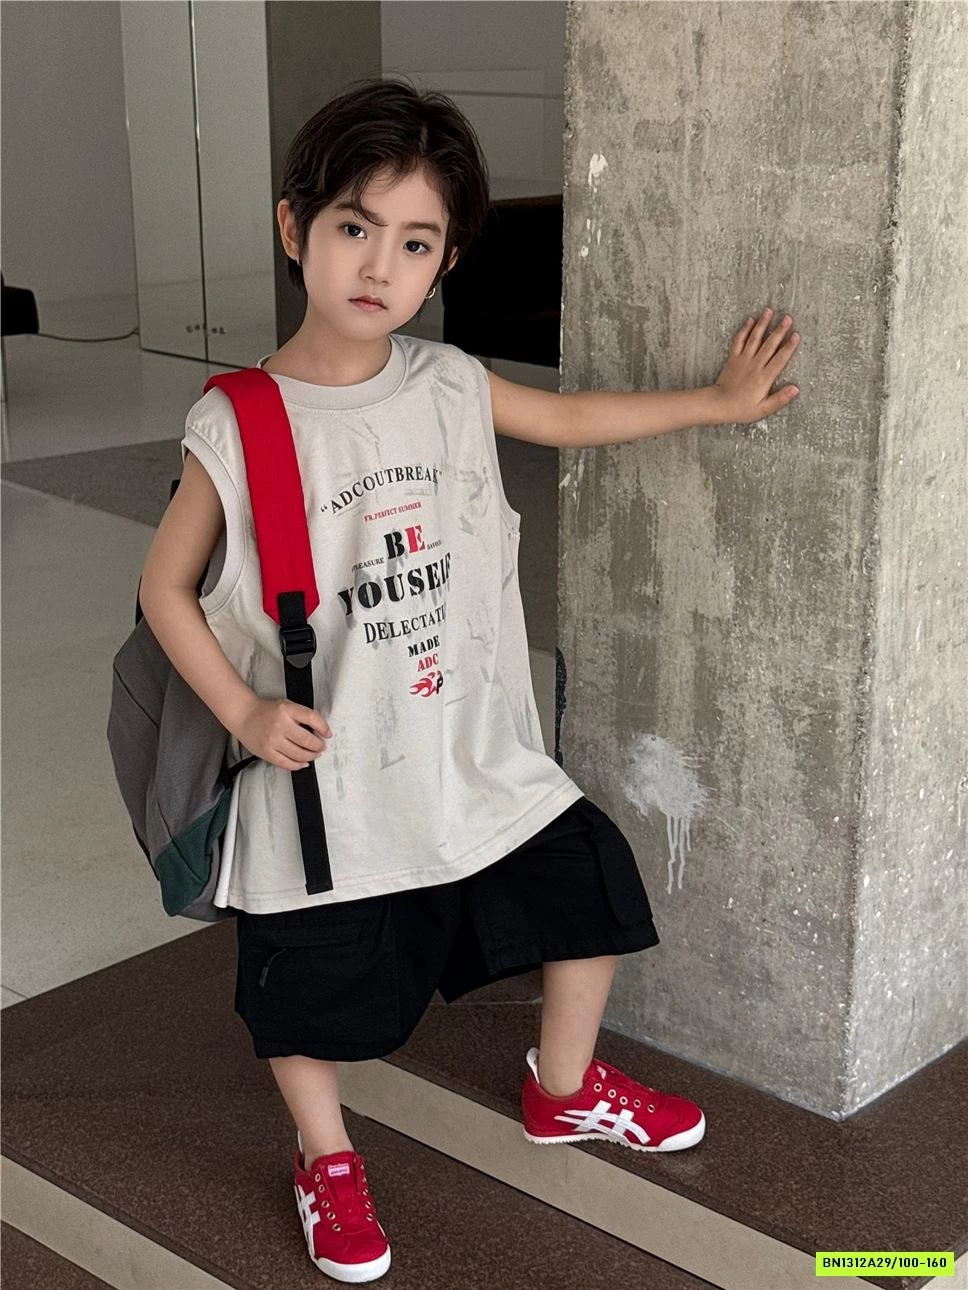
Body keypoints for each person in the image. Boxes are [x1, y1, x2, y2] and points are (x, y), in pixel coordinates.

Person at [139, 75, 800, 1285]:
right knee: (305, 991)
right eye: (354, 226)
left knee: (589, 885)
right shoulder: (238, 423)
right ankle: (325, 1155)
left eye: (415, 241)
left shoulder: (446, 383)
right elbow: (165, 589)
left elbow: (566, 419)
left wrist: (713, 404)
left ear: (443, 262)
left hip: (467, 751)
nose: (378, 265)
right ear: (293, 226)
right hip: (331, 782)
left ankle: (563, 1088)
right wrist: (241, 708)